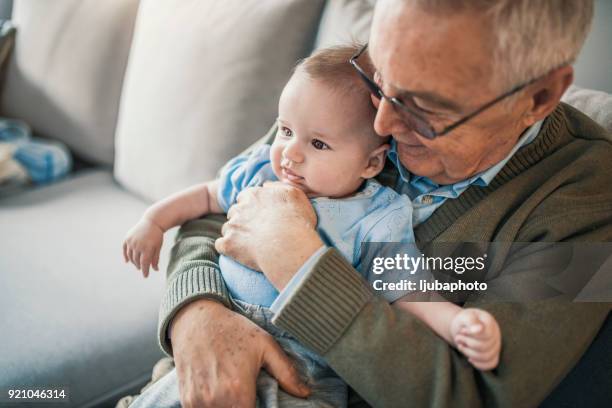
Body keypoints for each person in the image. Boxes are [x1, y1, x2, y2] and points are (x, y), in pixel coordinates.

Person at [132, 0, 611, 407]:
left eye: (423, 107)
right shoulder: (352, 83)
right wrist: (197, 312)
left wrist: (297, 262)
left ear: (539, 95)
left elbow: (473, 394)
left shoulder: (590, 203)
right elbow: (218, 204)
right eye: (381, 82)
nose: (381, 122)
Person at [123, 46, 502, 407]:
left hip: (304, 364)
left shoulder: (374, 215)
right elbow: (208, 199)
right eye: (285, 130)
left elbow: (403, 284)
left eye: (319, 144)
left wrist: (454, 322)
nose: (290, 151)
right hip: (222, 326)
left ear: (371, 164)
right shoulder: (269, 166)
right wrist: (154, 221)